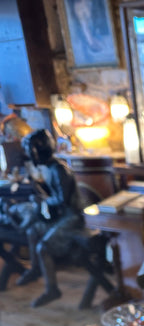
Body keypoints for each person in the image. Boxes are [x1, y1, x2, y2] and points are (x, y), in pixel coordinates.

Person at [16, 129, 85, 307]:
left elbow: (62, 200)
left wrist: (44, 200)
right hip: (63, 215)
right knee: (32, 230)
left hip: (73, 218)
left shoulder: (59, 170)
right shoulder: (51, 168)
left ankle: (52, 289)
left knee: (43, 248)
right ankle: (35, 269)